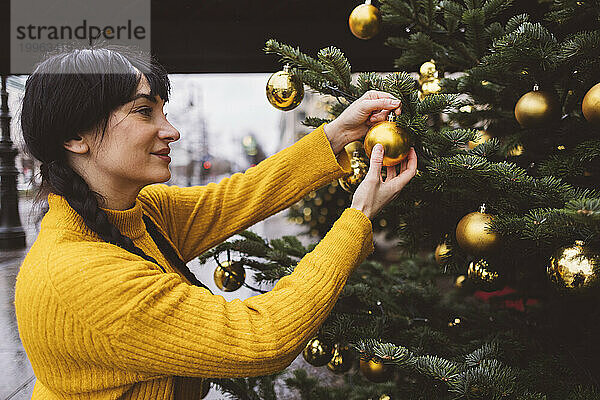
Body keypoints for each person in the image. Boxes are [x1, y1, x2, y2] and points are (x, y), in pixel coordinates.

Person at [14, 44, 417, 399]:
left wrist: (336, 134)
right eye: (143, 112)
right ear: (74, 137)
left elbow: (236, 197)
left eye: (163, 112)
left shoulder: (135, 211)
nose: (171, 131)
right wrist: (358, 216)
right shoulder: (80, 278)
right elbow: (263, 337)